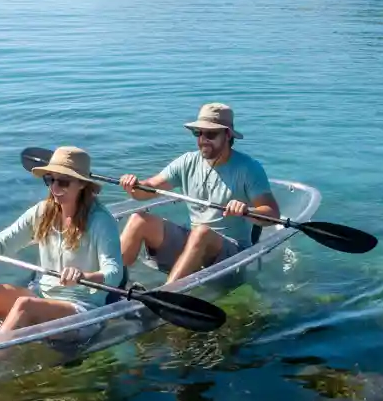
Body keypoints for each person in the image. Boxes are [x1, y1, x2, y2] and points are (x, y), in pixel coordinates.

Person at [0, 145, 123, 388]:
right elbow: (3, 242)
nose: (55, 188)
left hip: (82, 311)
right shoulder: (43, 212)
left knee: (24, 305)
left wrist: (84, 275)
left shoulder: (101, 221)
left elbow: (114, 272)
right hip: (43, 296)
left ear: (82, 184)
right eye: (50, 180)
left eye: (63, 182)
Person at [118, 103, 281, 283]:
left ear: (227, 135)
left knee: (201, 232)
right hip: (194, 241)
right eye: (198, 133)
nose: (203, 140)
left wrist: (247, 211)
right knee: (139, 219)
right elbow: (148, 189)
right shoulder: (187, 161)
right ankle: (109, 283)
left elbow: (272, 214)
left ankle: (166, 293)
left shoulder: (249, 168)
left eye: (210, 134)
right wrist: (134, 186)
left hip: (233, 254)